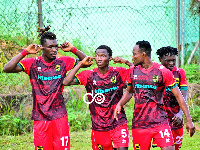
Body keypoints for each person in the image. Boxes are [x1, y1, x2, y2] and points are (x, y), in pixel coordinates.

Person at [3, 26, 87, 150]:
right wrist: (25, 52)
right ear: (42, 47)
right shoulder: (32, 63)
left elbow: (85, 61)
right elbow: (7, 68)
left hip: (60, 117)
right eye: (50, 47)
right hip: (40, 118)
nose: (54, 50)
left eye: (56, 46)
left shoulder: (63, 62)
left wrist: (73, 49)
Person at [114, 40, 195, 150]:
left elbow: (179, 96)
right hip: (139, 124)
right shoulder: (132, 71)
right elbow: (129, 91)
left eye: (134, 53)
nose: (132, 57)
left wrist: (188, 120)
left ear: (143, 54)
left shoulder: (163, 72)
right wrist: (120, 104)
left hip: (160, 122)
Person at [63, 45, 133, 150]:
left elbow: (137, 73)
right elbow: (66, 82)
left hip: (118, 121)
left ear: (110, 58)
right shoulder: (88, 75)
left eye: (103, 56)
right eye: (97, 56)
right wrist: (81, 64)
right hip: (99, 125)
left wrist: (126, 62)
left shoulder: (118, 72)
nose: (99, 58)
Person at [153, 46, 188, 150]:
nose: (171, 63)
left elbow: (183, 96)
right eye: (168, 61)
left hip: (175, 117)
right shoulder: (155, 72)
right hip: (159, 119)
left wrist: (180, 114)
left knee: (175, 147)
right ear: (160, 59)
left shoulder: (179, 72)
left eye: (173, 60)